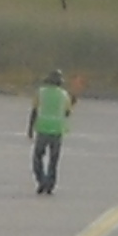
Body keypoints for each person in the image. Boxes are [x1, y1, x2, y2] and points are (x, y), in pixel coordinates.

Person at [28, 67, 75, 195]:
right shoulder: (64, 95)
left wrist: (30, 129)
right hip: (57, 130)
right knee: (53, 160)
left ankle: (41, 181)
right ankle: (50, 184)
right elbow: (67, 113)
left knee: (38, 157)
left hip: (42, 128)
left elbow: (34, 111)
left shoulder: (41, 92)